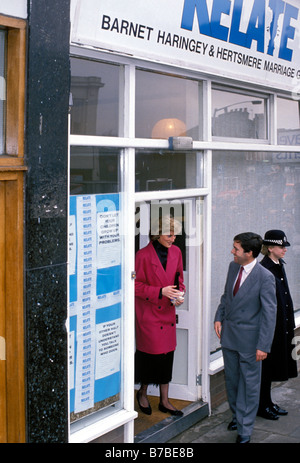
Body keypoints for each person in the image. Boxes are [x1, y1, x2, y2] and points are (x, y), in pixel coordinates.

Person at [214, 232, 277, 443]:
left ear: (249, 253)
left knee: (249, 385)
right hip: (229, 337)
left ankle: (245, 429)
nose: (232, 251)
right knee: (232, 382)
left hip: (251, 343)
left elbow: (270, 314)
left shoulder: (265, 277)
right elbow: (226, 296)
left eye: (236, 249)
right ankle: (237, 415)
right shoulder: (233, 267)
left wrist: (263, 346)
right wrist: (219, 317)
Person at [135, 216, 185, 417]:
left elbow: (179, 279)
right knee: (149, 356)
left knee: (167, 357)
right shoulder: (143, 255)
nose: (173, 239)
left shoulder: (176, 252)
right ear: (157, 234)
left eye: (175, 235)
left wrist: (178, 296)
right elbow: (135, 285)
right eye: (169, 235)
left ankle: (165, 400)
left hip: (167, 312)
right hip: (149, 314)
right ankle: (143, 392)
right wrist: (159, 292)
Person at [257, 230, 298, 420]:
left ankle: (268, 402)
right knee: (266, 369)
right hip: (270, 328)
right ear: (270, 248)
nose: (284, 250)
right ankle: (262, 405)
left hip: (282, 324)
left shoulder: (278, 264)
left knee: (273, 367)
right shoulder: (264, 269)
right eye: (281, 247)